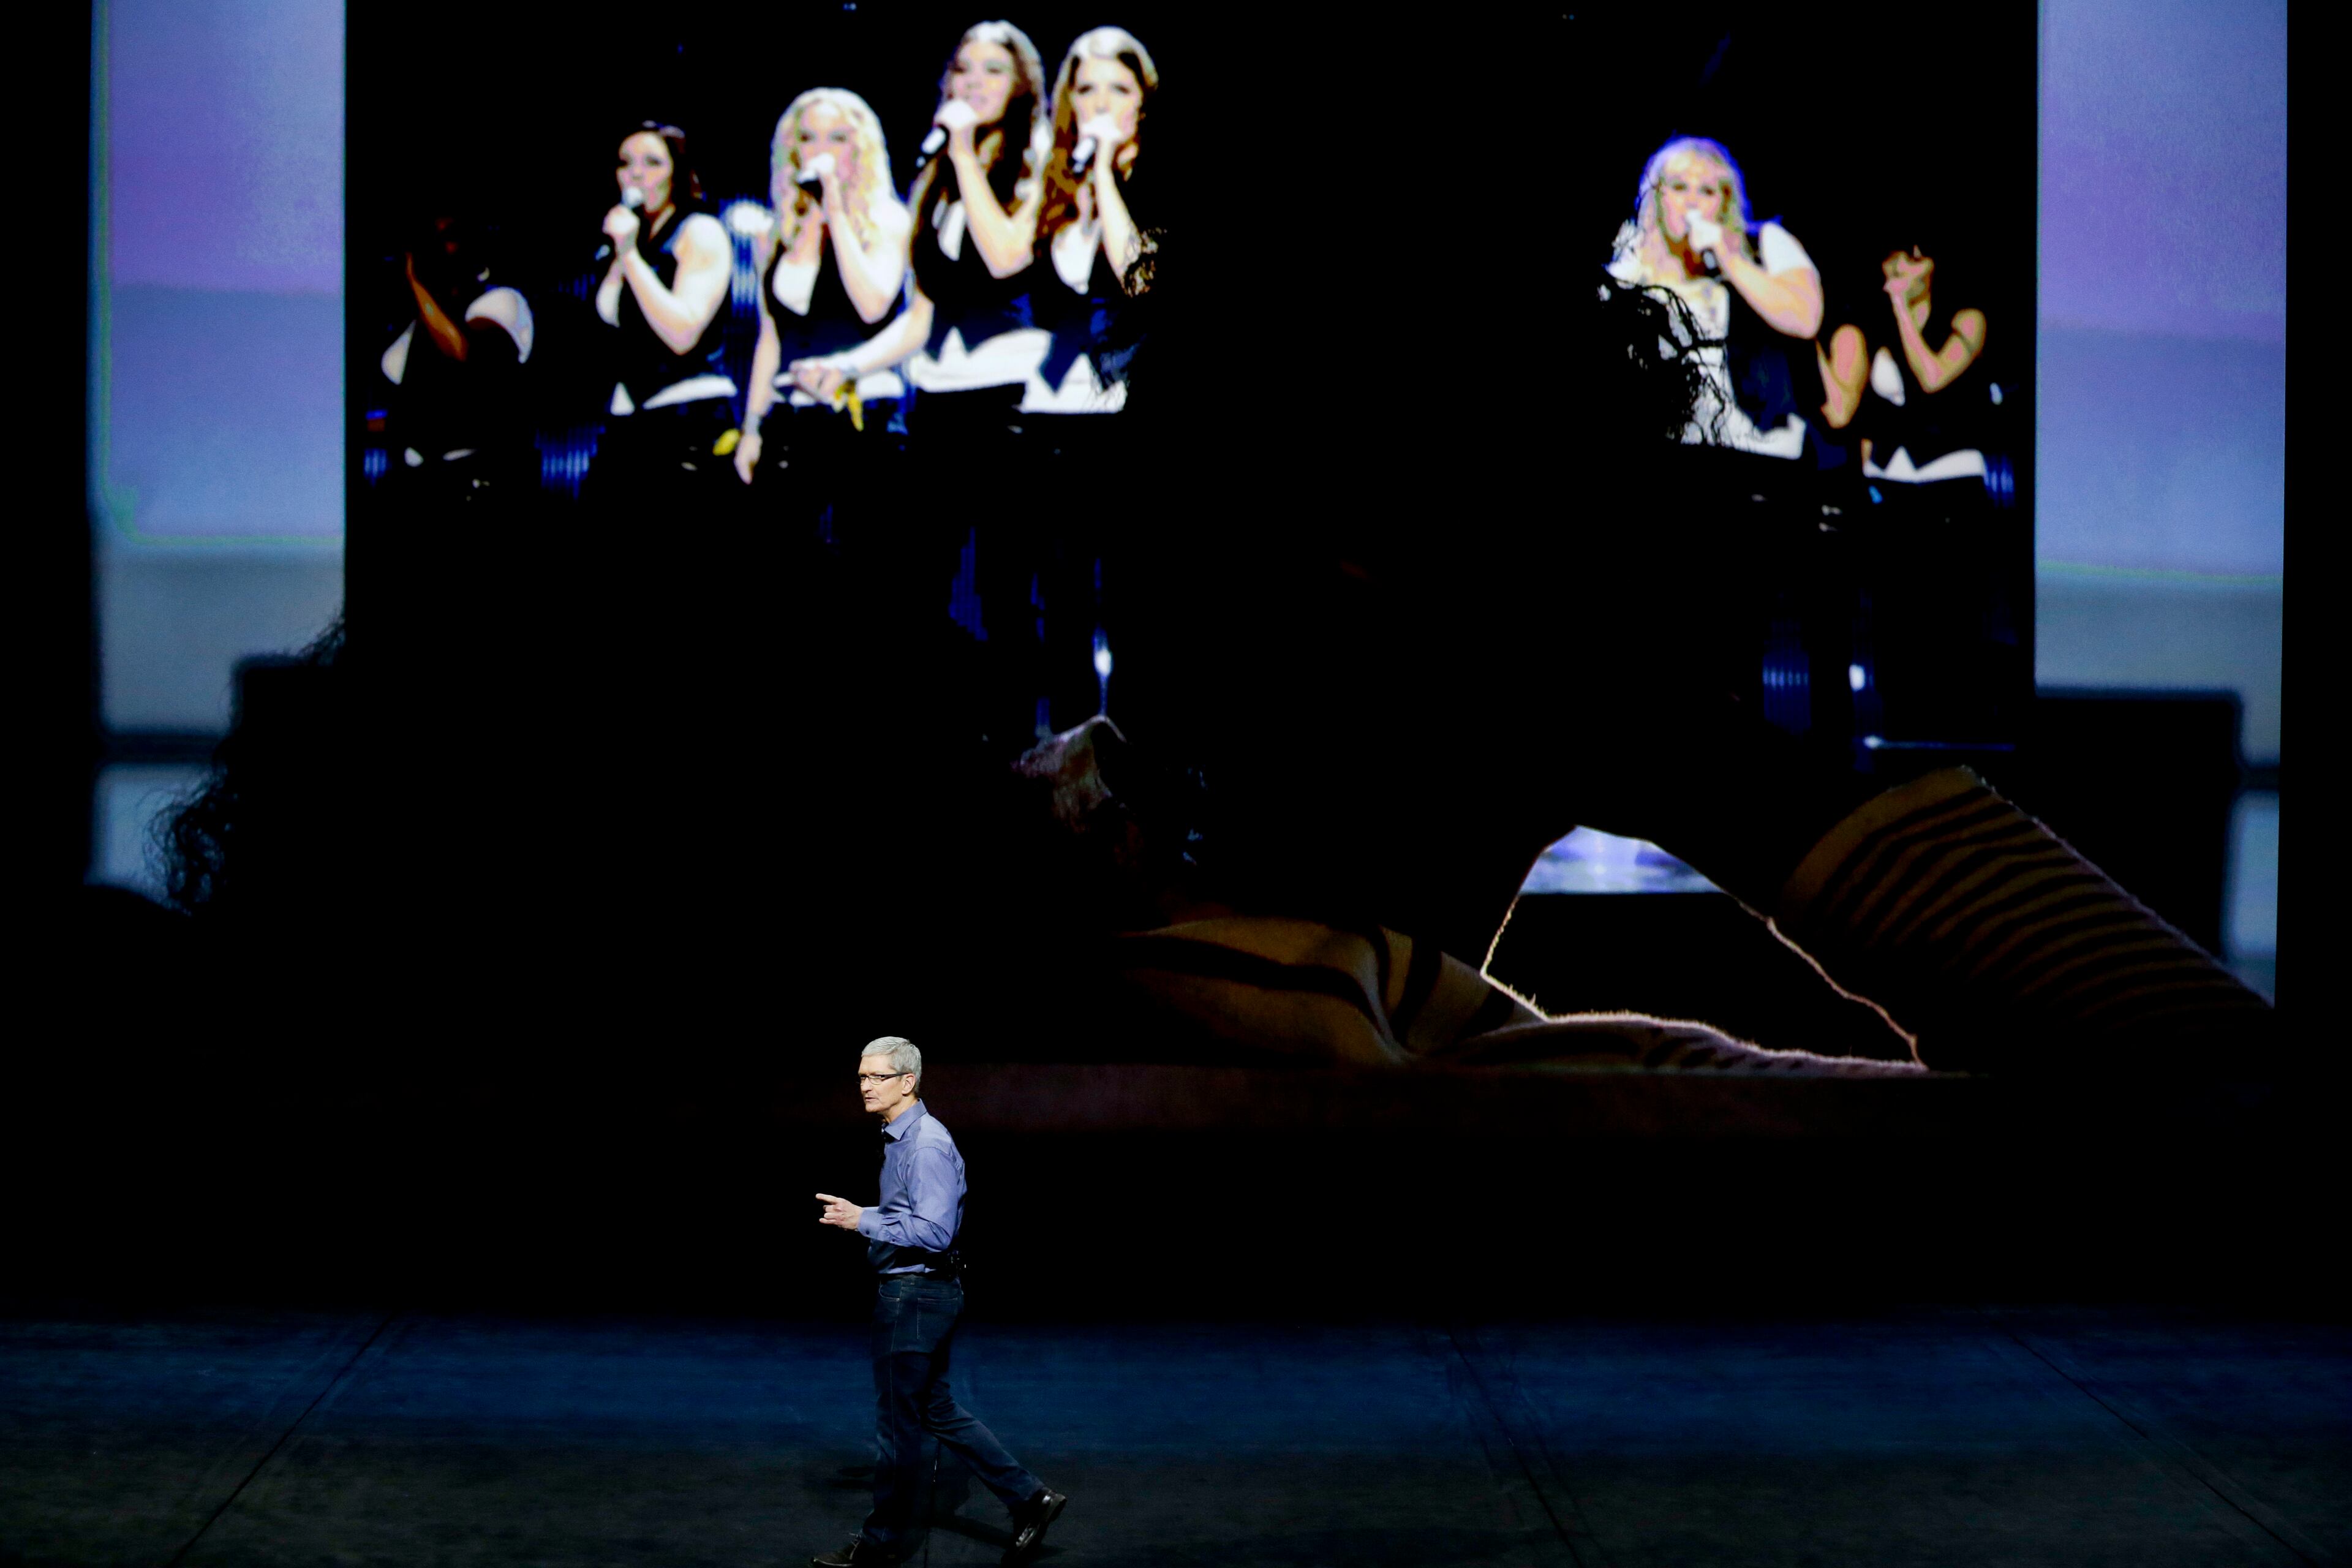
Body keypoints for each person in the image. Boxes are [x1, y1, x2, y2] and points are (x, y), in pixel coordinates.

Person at [791, 21, 1053, 753]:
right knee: (913, 587)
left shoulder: (1035, 165)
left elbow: (1005, 258)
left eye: (992, 72)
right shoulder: (938, 171)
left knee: (1007, 593)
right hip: (936, 406)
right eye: (961, 71)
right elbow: (920, 317)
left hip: (1010, 405)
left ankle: (1020, 754)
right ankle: (931, 745)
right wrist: (849, 366)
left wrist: (965, 153)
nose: (971, 84)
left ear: (1023, 86)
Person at [812, 1037, 1069, 1566]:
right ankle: (1031, 1498)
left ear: (907, 1082)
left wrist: (863, 1219)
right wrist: (870, 1214)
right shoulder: (902, 1138)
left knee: (898, 1428)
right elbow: (915, 1216)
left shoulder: (925, 1144)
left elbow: (934, 1231)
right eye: (860, 1076)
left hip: (915, 1299)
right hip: (925, 1295)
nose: (864, 1086)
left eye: (875, 1077)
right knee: (937, 1410)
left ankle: (881, 1547)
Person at [733, 88, 911, 551]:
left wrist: (836, 210)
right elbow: (770, 338)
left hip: (863, 415)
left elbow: (873, 304)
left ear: (861, 148)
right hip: (790, 419)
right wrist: (753, 426)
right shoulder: (775, 233)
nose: (822, 151)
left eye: (837, 138)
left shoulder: (886, 220)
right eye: (809, 139)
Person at [1608, 136, 1825, 459]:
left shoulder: (1764, 245)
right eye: (1680, 187)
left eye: (1707, 190)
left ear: (1724, 202)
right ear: (1658, 196)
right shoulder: (1630, 271)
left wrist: (1730, 259)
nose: (1692, 201)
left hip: (1760, 453)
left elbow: (1805, 320)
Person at [582, 123, 736, 508]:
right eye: (625, 163)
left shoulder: (698, 232)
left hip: (688, 421)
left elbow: (682, 333)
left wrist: (631, 256)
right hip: (630, 420)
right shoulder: (618, 246)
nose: (635, 174)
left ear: (678, 173)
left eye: (652, 163)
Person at [374, 209, 538, 508]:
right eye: (429, 240)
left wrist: (416, 283)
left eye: (448, 238)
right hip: (413, 482)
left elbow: (463, 356)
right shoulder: (416, 325)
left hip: (472, 486)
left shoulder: (500, 303)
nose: (436, 249)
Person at [1817, 238, 1994, 484]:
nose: (1899, 270)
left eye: (1912, 261)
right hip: (1887, 471)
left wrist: (1900, 304)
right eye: (1893, 261)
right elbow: (1870, 415)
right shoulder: (1877, 329)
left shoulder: (1967, 320)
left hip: (1949, 468)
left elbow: (1932, 378)